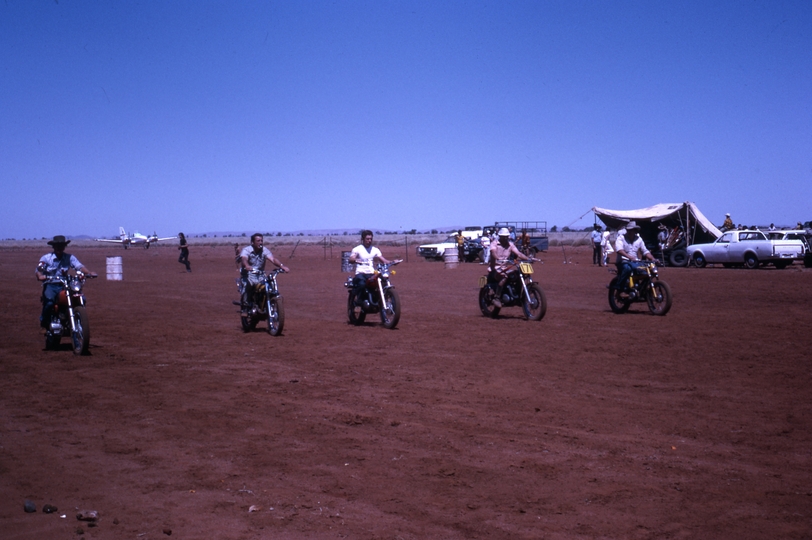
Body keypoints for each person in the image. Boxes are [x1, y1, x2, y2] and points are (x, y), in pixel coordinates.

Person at [35, 235, 97, 329]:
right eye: (57, 246)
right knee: (49, 303)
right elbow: (39, 268)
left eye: (62, 246)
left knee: (81, 299)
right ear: (53, 247)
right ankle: (44, 322)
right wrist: (40, 276)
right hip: (51, 284)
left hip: (66, 285)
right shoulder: (46, 258)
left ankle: (74, 320)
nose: (59, 248)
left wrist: (88, 273)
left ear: (65, 247)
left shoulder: (69, 257)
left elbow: (79, 266)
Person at [239, 233, 289, 315]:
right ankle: (245, 307)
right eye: (258, 241)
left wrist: (281, 266)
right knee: (248, 286)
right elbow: (244, 259)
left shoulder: (264, 250)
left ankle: (265, 304)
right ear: (252, 242)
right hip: (248, 275)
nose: (260, 242)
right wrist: (247, 266)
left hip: (260, 275)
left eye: (261, 240)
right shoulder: (247, 250)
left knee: (269, 285)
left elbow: (272, 259)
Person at [348, 230, 396, 306]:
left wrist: (392, 262)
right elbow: (351, 259)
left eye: (371, 239)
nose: (369, 240)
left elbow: (383, 260)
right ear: (363, 239)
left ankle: (382, 301)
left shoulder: (375, 250)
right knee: (362, 284)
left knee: (383, 281)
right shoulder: (357, 249)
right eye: (367, 239)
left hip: (372, 273)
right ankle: (359, 302)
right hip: (361, 273)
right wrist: (355, 260)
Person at [488, 227, 531, 308]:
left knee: (518, 275)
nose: (505, 238)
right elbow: (493, 253)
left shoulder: (510, 245)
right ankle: (496, 298)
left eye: (506, 236)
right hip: (495, 269)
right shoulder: (494, 243)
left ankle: (518, 297)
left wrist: (528, 258)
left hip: (505, 268)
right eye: (503, 236)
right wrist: (498, 258)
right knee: (504, 277)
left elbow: (519, 254)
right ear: (500, 236)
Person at [614, 221, 656, 291]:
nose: (630, 231)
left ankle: (642, 288)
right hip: (623, 261)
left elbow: (645, 251)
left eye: (632, 230)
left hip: (635, 262)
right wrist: (629, 257)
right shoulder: (621, 238)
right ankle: (620, 286)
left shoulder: (639, 239)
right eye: (629, 230)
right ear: (626, 230)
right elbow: (619, 250)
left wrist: (653, 259)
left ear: (635, 230)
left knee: (648, 270)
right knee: (627, 268)